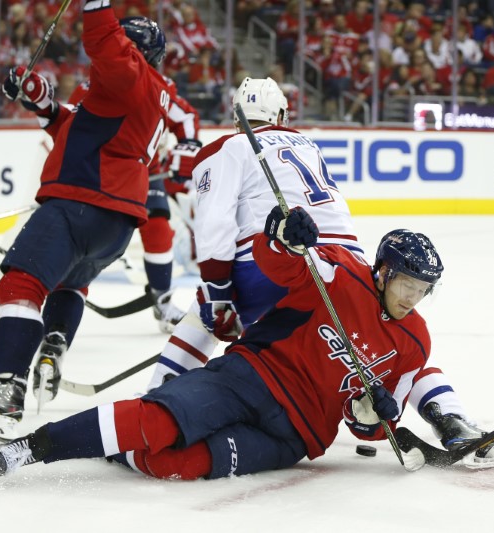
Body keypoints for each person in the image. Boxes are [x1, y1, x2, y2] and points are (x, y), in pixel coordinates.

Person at [0, 208, 494, 479]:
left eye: (423, 291)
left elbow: (365, 428)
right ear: (384, 271)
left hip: (298, 436)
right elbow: (277, 262)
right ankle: (35, 447)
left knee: (170, 465)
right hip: (251, 379)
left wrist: (372, 415)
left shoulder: (414, 341)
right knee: (156, 423)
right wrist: (279, 233)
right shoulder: (337, 274)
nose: (413, 299)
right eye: (407, 285)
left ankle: (119, 451)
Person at [0, 4, 172, 439]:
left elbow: (103, 37)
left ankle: (7, 392)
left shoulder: (129, 73)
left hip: (82, 199)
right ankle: (55, 344)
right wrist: (42, 101)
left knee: (20, 284)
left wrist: (97, 6)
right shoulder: (148, 90)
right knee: (68, 284)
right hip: (116, 223)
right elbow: (83, 126)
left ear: (135, 50)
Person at [144, 76, 363, 391]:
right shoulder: (309, 145)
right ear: (280, 116)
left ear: (236, 118)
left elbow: (214, 220)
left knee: (206, 308)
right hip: (346, 264)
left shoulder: (227, 146)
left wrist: (217, 289)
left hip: (272, 260)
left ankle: (158, 393)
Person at [66, 75, 202, 334]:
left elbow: (185, 116)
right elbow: (67, 128)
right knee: (87, 233)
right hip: (100, 174)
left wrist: (188, 147)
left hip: (144, 170)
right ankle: (65, 289)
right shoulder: (92, 84)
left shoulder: (159, 84)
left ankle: (162, 299)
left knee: (158, 228)